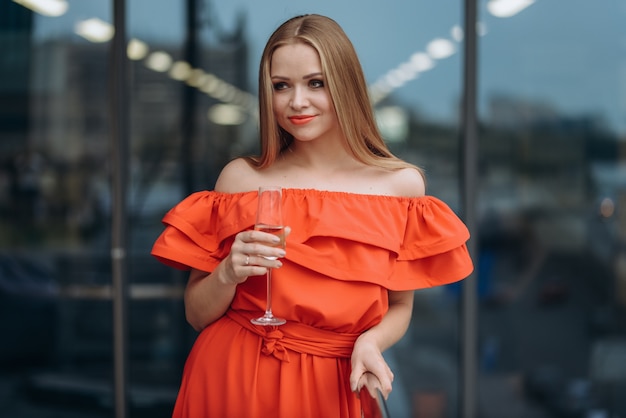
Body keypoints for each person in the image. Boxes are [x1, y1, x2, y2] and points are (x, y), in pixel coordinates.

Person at [151, 14, 473, 418]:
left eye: (315, 83)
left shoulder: (401, 188)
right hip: (237, 377)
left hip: (338, 384)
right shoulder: (240, 179)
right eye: (280, 86)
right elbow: (197, 315)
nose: (296, 102)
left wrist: (371, 343)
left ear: (346, 85)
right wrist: (228, 273)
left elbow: (399, 307)